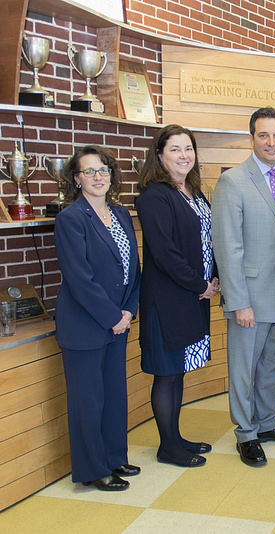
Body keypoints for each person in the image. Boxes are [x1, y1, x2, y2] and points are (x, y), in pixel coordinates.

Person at [211, 108, 275, 468]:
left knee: (273, 366)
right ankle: (245, 433)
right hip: (249, 296)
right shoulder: (233, 181)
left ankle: (266, 422)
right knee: (244, 367)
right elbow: (228, 246)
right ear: (251, 138)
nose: (271, 142)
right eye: (264, 135)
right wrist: (238, 301)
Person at [54, 145, 141, 491]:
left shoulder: (120, 214)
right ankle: (92, 469)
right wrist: (111, 316)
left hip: (118, 321)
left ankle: (114, 457)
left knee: (113, 395)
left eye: (103, 170)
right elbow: (79, 278)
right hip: (86, 325)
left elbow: (133, 268)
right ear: (76, 179)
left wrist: (129, 310)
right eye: (89, 171)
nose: (98, 177)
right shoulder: (71, 219)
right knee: (88, 401)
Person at [136, 124, 220, 468]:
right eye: (175, 149)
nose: (184, 155)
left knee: (180, 370)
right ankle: (167, 446)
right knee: (167, 372)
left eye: (188, 148)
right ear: (159, 156)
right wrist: (200, 284)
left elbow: (206, 241)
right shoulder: (154, 196)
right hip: (168, 301)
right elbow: (165, 252)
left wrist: (212, 277)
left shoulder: (195, 193)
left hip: (192, 299)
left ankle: (176, 436)